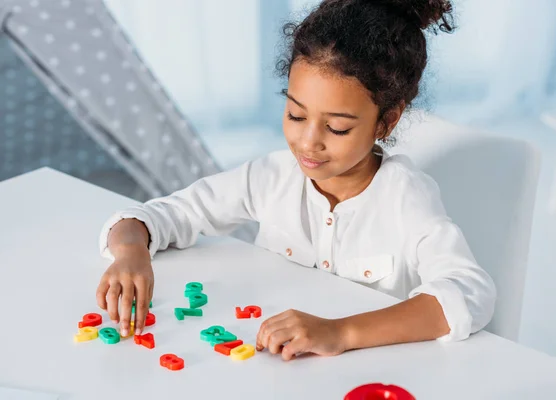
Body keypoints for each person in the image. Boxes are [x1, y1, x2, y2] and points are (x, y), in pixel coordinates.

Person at [96, 0, 496, 361]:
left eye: (337, 128)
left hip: (369, 375)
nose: (308, 142)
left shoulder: (404, 196)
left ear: (386, 122)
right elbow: (168, 214)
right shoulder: (271, 176)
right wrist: (132, 250)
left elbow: (469, 293)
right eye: (296, 115)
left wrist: (340, 331)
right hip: (273, 365)